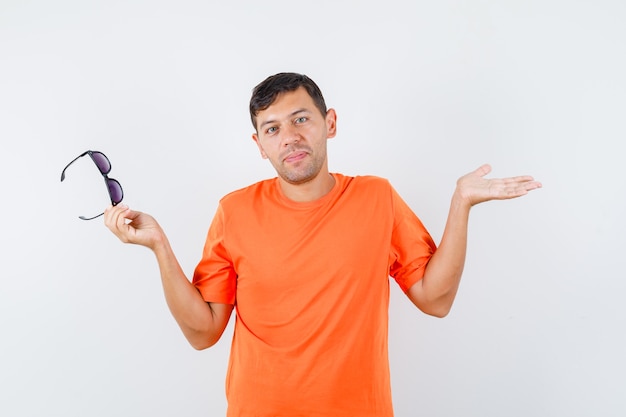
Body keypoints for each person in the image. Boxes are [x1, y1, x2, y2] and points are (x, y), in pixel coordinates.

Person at [104, 72, 542, 417]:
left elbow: (435, 299)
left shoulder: (377, 197)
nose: (290, 137)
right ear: (259, 145)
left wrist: (461, 203)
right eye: (272, 128)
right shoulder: (233, 211)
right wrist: (160, 246)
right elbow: (203, 333)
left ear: (329, 123)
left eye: (301, 119)